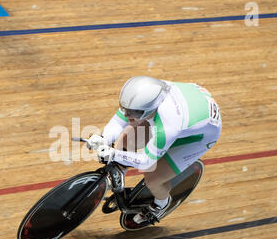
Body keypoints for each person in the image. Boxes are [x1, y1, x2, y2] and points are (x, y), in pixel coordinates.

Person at [87, 76, 222, 224]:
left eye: (134, 112)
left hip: (201, 137)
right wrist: (104, 138)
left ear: (151, 108)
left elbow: (145, 162)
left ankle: (161, 205)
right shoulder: (145, 95)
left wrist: (113, 154)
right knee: (128, 140)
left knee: (153, 179)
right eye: (125, 109)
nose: (127, 115)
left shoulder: (167, 126)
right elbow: (119, 121)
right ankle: (120, 172)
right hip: (191, 106)